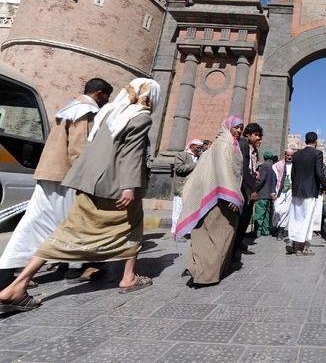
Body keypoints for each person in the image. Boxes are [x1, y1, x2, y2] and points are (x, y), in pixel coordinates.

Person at [0, 78, 160, 311]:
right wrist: (129, 185)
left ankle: (17, 285)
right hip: (115, 186)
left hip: (87, 182)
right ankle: (128, 277)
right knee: (134, 226)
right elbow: (132, 153)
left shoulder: (108, 112)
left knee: (67, 231)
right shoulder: (140, 117)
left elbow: (90, 146)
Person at [0, 78, 113, 286]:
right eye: (107, 96)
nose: (106, 101)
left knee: (34, 222)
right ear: (99, 93)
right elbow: (79, 150)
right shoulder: (86, 111)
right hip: (66, 177)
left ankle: (5, 274)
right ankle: (75, 268)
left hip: (48, 172)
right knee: (71, 221)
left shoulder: (68, 108)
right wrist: (89, 179)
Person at [176, 116, 245, 287]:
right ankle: (204, 274)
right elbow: (223, 170)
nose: (239, 130)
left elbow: (237, 173)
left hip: (228, 196)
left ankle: (202, 268)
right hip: (220, 197)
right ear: (228, 127)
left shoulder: (234, 145)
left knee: (222, 236)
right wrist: (231, 195)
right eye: (236, 127)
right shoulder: (222, 144)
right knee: (212, 236)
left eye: (241, 127)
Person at [287, 132, 326, 255]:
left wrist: (295, 187)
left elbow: (293, 173)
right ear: (316, 142)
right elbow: (319, 173)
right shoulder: (317, 153)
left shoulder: (296, 154)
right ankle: (300, 247)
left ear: (305, 140)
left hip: (297, 190)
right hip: (310, 190)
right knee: (306, 218)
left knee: (296, 217)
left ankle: (293, 241)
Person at [233, 123, 263, 256]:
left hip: (247, 189)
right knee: (241, 219)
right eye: (256, 135)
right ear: (248, 135)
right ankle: (233, 249)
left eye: (259, 135)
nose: (258, 138)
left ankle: (238, 243)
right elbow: (243, 170)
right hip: (242, 189)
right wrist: (252, 190)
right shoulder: (243, 145)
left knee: (245, 219)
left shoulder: (253, 150)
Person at [170, 139, 203, 237]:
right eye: (198, 147)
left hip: (193, 188)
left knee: (188, 210)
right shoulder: (182, 155)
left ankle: (186, 230)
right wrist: (195, 164)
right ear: (192, 146)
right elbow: (179, 168)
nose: (199, 149)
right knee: (178, 210)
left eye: (200, 147)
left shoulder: (199, 157)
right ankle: (175, 230)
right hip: (181, 187)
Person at [252, 150, 276, 237]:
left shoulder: (264, 166)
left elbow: (262, 180)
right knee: (267, 214)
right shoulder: (274, 166)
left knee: (259, 214)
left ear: (264, 157)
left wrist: (255, 188)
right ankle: (266, 231)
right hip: (270, 194)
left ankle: (257, 231)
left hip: (262, 193)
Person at [272, 149, 294, 239]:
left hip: (290, 191)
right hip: (279, 191)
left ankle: (281, 230)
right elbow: (273, 179)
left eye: (291, 156)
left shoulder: (295, 166)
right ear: (285, 155)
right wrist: (272, 191)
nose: (289, 157)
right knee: (277, 210)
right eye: (288, 155)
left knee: (286, 211)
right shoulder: (277, 165)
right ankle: (275, 226)